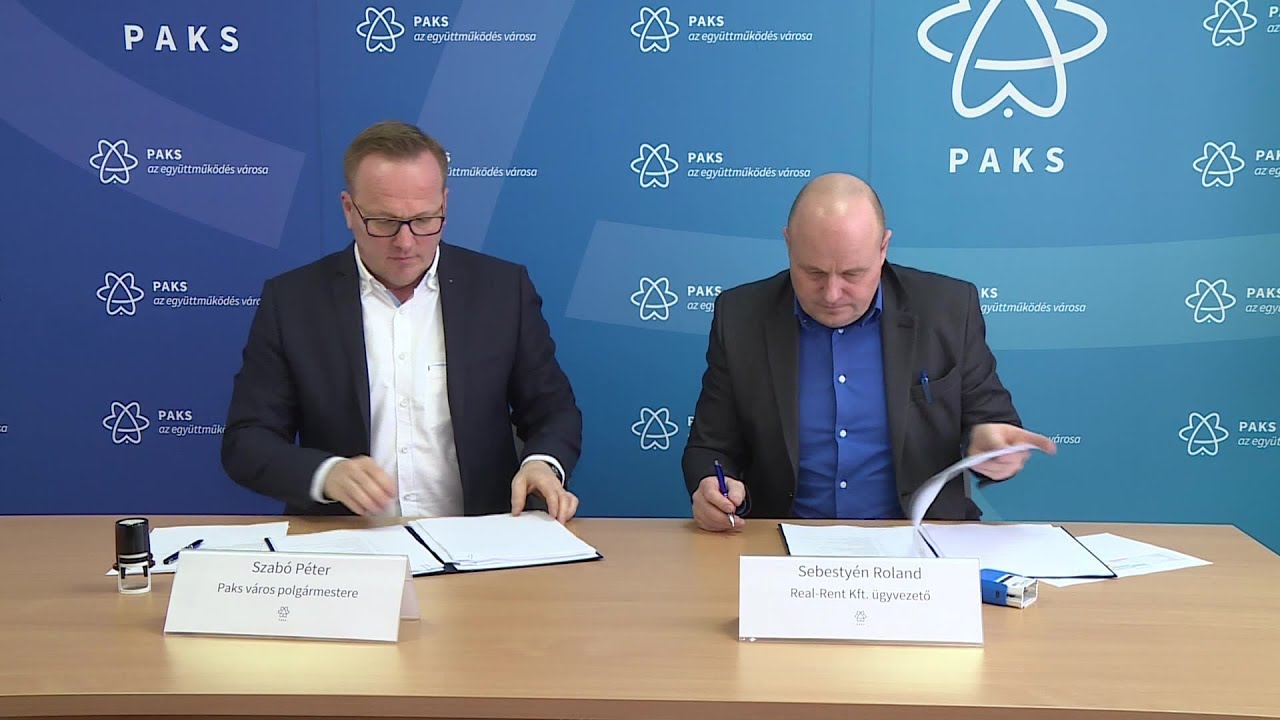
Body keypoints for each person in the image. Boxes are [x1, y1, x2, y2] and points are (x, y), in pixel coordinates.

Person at [222, 120, 582, 521]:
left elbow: (553, 410)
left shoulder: (502, 291)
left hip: (479, 538)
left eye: (424, 220)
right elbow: (247, 441)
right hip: (347, 543)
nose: (406, 243)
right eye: (384, 222)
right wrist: (326, 474)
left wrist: (541, 463)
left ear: (444, 204)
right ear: (349, 210)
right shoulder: (293, 301)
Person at [682, 173, 1055, 531]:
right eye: (813, 273)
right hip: (783, 541)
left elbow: (991, 420)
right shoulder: (740, 317)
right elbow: (709, 446)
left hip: (921, 541)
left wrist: (989, 447)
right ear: (788, 244)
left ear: (883, 249)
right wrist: (711, 486)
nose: (832, 294)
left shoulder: (948, 310)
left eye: (852, 274)